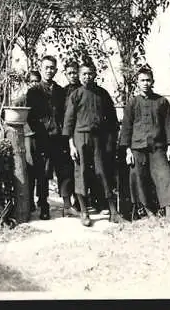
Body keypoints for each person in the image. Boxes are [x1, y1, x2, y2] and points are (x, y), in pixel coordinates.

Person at [63, 61, 123, 226]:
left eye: (90, 74)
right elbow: (68, 122)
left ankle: (113, 211)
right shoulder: (75, 95)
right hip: (80, 138)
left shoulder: (102, 94)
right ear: (79, 75)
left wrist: (111, 141)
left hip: (99, 139)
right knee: (81, 174)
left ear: (95, 74)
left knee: (102, 173)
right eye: (83, 74)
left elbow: (112, 120)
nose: (87, 77)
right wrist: (71, 145)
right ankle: (84, 212)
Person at [120, 67, 170, 220]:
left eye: (148, 80)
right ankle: (149, 213)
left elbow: (169, 126)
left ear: (153, 82)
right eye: (142, 80)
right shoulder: (132, 103)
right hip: (137, 148)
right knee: (138, 178)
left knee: (164, 177)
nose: (145, 83)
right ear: (137, 83)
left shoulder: (162, 101)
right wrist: (127, 151)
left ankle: (169, 215)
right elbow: (126, 128)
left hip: (158, 147)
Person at [26, 55, 70, 220]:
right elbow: (31, 117)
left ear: (56, 70)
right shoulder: (34, 91)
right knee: (43, 173)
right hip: (42, 138)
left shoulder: (60, 91)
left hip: (58, 137)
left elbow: (64, 113)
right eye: (46, 67)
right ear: (41, 68)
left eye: (52, 68)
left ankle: (67, 205)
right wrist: (41, 131)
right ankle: (44, 204)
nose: (49, 71)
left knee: (63, 170)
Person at [13, 70, 43, 213]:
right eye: (32, 81)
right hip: (27, 137)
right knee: (29, 170)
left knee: (41, 171)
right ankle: (29, 202)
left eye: (37, 81)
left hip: (41, 138)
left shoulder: (43, 99)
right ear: (27, 83)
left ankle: (42, 202)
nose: (34, 84)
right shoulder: (21, 100)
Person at [61, 61, 82, 215]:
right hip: (65, 135)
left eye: (75, 72)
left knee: (81, 168)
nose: (73, 75)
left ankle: (80, 202)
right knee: (66, 170)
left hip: (81, 133)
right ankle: (67, 204)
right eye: (70, 73)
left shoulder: (84, 90)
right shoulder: (62, 93)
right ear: (65, 74)